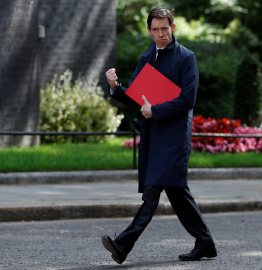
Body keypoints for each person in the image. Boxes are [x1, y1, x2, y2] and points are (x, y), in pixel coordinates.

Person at [101, 7, 217, 264]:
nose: (161, 34)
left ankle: (122, 245)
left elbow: (188, 100)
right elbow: (135, 96)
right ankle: (206, 243)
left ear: (172, 27)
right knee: (178, 194)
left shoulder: (187, 58)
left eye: (165, 28)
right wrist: (114, 87)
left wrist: (155, 110)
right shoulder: (146, 58)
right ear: (149, 30)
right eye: (155, 29)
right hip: (154, 134)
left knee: (152, 192)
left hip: (174, 137)